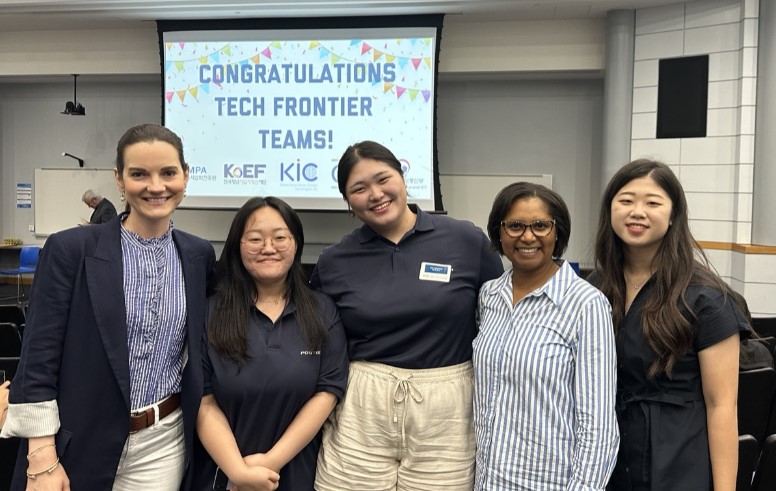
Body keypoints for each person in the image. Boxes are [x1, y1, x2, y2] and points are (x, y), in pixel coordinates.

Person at [0, 123, 216, 490]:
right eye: (139, 174)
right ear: (119, 179)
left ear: (185, 176)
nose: (156, 186)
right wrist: (41, 456)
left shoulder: (198, 255)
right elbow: (38, 357)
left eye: (168, 173)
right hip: (76, 444)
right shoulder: (71, 250)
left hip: (163, 444)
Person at [312, 140, 504, 490]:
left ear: (402, 175)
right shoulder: (333, 261)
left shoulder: (466, 241)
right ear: (348, 202)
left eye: (383, 179)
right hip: (361, 410)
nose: (375, 194)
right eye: (359, 189)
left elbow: (500, 322)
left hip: (447, 411)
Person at [592, 159, 749, 491]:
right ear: (610, 209)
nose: (637, 212)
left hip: (679, 461)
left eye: (652, 203)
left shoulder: (706, 298)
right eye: (626, 200)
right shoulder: (595, 288)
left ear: (674, 215)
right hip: (609, 461)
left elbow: (722, 407)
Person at [194, 197, 348, 491]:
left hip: (296, 470)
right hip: (222, 471)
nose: (268, 248)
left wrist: (269, 463)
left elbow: (327, 392)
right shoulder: (209, 311)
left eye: (280, 238)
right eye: (255, 239)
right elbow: (204, 401)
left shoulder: (323, 311)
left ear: (296, 243)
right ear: (237, 245)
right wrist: (238, 472)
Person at [474, 182, 618, 490]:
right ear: (500, 233)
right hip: (488, 480)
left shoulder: (586, 304)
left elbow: (599, 427)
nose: (528, 237)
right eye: (515, 226)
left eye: (540, 226)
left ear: (557, 233)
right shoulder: (489, 296)